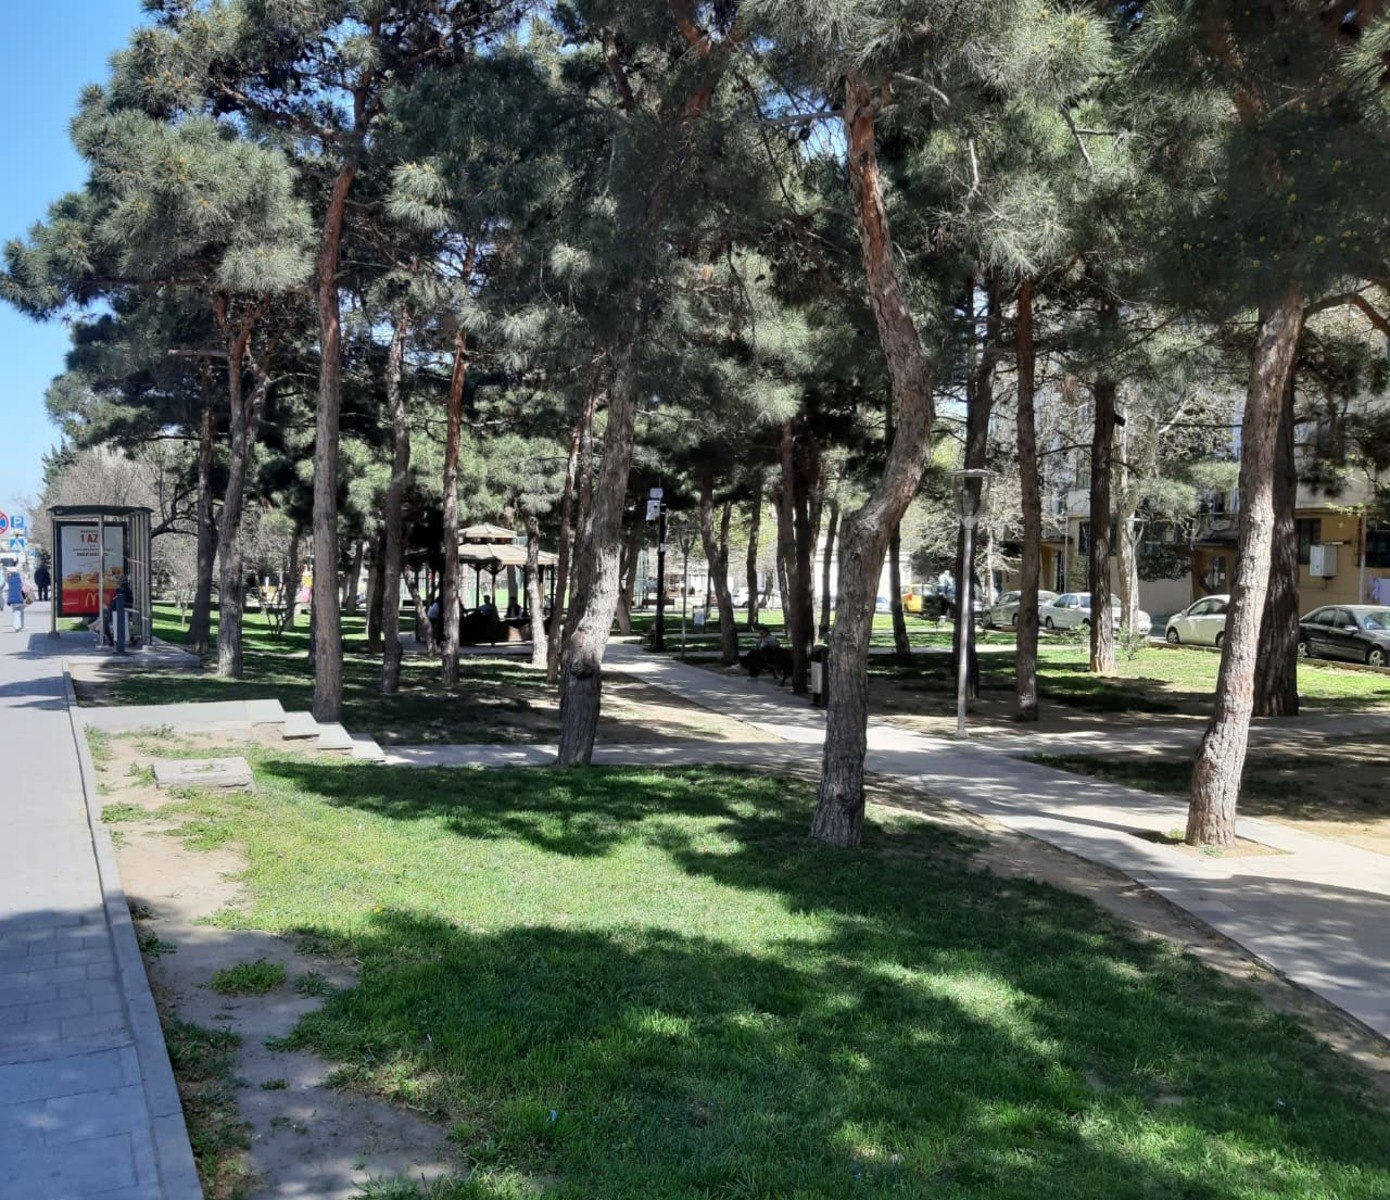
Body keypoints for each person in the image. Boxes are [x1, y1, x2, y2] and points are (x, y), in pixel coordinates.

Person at [6, 568, 26, 632]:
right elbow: (24, 587)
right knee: (21, 612)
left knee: (16, 612)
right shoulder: (20, 579)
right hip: (20, 598)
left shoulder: (9, 580)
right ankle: (20, 626)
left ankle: (17, 626)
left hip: (12, 599)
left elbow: (6, 588)